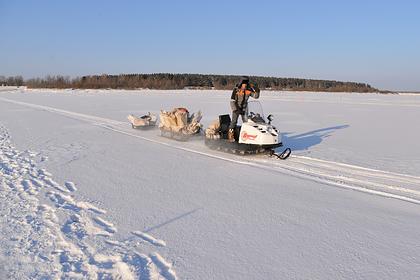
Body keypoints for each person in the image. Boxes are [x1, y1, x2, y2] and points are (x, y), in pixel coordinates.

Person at [228, 76, 260, 141]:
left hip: (244, 109)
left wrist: (257, 90)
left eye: (246, 85)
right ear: (241, 84)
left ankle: (247, 136)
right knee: (234, 122)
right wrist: (235, 109)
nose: (244, 86)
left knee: (246, 122)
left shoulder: (248, 91)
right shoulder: (236, 90)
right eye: (243, 85)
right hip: (236, 108)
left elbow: (256, 96)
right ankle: (230, 135)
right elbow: (232, 101)